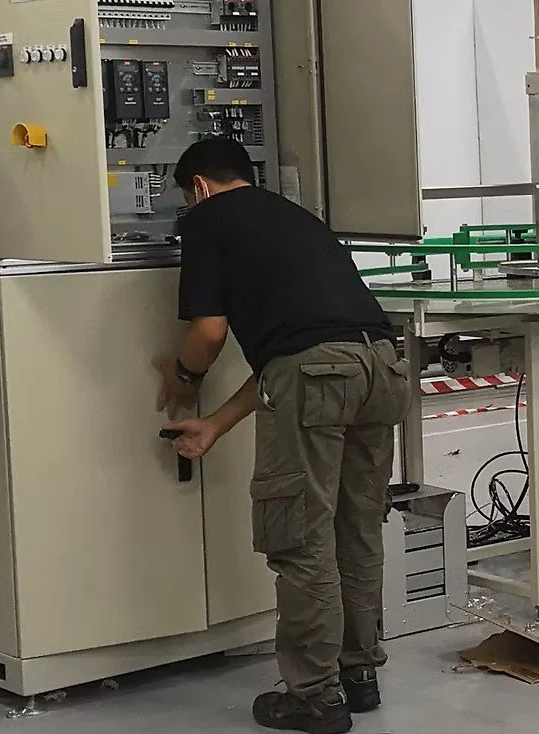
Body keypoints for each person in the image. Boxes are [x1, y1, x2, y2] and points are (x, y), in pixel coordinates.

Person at [157, 138, 407, 734]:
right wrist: (215, 425)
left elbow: (211, 332)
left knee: (302, 538)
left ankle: (314, 696)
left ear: (198, 187)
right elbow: (290, 363)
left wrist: (183, 376)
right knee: (357, 528)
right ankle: (358, 673)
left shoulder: (208, 220)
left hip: (319, 374)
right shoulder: (299, 218)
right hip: (383, 367)